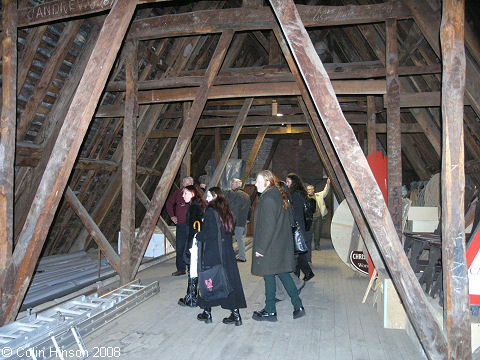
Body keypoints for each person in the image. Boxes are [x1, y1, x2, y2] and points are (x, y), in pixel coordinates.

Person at [251, 170, 305, 321]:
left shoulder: (268, 199)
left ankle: (270, 310)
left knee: (269, 277)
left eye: (258, 181)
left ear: (267, 183)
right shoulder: (276, 195)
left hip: (270, 246)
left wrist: (260, 249)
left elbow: (268, 227)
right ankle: (298, 306)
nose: (255, 184)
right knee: (283, 274)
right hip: (278, 245)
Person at [196, 187, 247, 326]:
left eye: (209, 196)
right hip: (227, 253)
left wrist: (199, 234)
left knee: (209, 280)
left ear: (215, 196)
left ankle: (207, 313)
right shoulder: (227, 211)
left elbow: (210, 234)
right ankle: (236, 315)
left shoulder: (211, 211)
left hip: (214, 252)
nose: (206, 199)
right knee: (228, 282)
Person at [178, 185, 206, 307]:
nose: (183, 195)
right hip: (197, 242)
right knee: (194, 269)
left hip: (194, 243)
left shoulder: (194, 207)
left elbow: (195, 229)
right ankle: (193, 295)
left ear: (193, 194)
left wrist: (189, 247)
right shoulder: (196, 206)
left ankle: (191, 297)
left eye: (186, 193)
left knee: (192, 269)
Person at [286, 173, 314, 281]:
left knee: (297, 253)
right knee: (299, 252)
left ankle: (296, 276)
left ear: (293, 183)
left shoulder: (296, 195)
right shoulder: (300, 193)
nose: (287, 184)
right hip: (300, 227)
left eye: (288, 182)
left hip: (298, 227)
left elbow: (296, 214)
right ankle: (307, 273)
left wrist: (292, 226)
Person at [166, 176, 194, 276]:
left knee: (191, 248)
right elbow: (169, 204)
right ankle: (181, 269)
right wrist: (172, 216)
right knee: (180, 247)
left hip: (191, 226)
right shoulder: (178, 193)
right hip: (181, 226)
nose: (188, 185)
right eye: (186, 183)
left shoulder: (196, 194)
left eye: (190, 183)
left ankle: (192, 269)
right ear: (183, 184)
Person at [225, 178, 251, 262]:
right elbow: (250, 209)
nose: (231, 185)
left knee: (231, 239)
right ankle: (241, 256)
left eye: (233, 183)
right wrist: (248, 218)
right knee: (240, 239)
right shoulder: (246, 195)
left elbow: (232, 207)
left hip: (234, 220)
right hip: (242, 220)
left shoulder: (234, 194)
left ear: (237, 185)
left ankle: (237, 257)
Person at [307, 178, 331, 251]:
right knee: (309, 233)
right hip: (310, 218)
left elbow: (325, 191)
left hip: (318, 217)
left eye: (311, 189)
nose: (309, 191)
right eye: (308, 189)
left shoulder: (318, 195)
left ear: (313, 190)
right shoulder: (305, 198)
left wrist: (328, 184)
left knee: (317, 232)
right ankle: (308, 246)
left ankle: (317, 246)